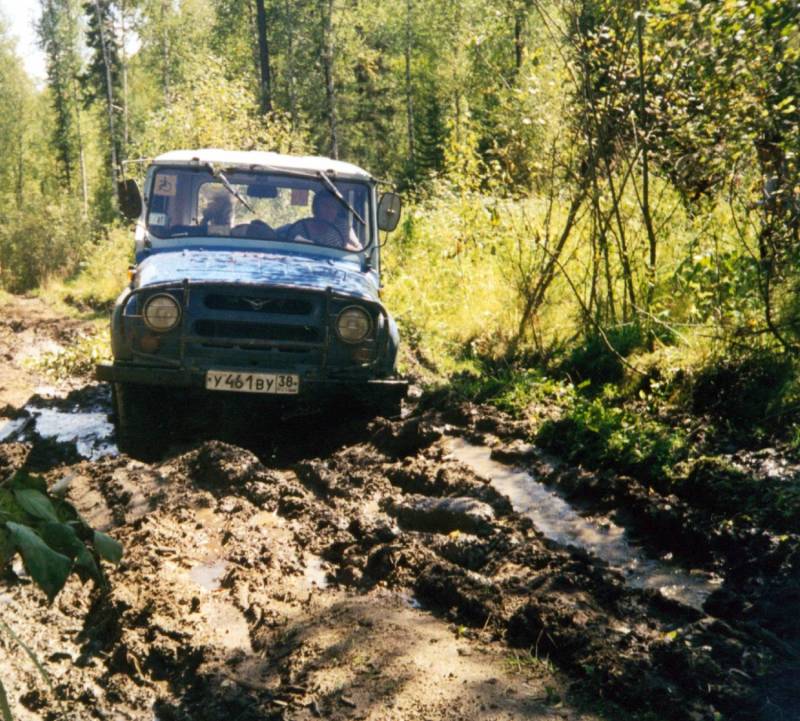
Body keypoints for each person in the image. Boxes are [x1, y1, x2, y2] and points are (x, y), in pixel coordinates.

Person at [293, 191, 362, 250]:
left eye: (333, 207)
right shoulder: (301, 227)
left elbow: (358, 249)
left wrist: (343, 247)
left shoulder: (343, 227)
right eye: (325, 206)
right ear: (315, 208)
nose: (329, 210)